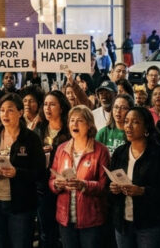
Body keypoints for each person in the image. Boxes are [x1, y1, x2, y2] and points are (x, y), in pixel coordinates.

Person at [0, 93, 44, 248]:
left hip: (20, 206)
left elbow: (40, 172)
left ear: (20, 112)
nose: (5, 114)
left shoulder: (31, 138)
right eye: (2, 110)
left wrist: (17, 173)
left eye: (10, 110)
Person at [109, 106, 160, 248]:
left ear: (146, 127)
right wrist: (113, 188)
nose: (128, 126)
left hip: (150, 224)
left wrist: (142, 191)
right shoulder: (119, 153)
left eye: (135, 122)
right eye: (126, 121)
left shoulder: (159, 155)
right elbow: (110, 183)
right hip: (123, 222)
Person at [49, 105, 111, 248]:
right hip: (65, 218)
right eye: (72, 120)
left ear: (89, 125)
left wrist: (84, 185)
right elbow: (51, 180)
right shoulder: (61, 149)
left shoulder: (100, 150)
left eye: (79, 121)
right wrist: (57, 184)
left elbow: (104, 185)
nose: (74, 124)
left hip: (90, 218)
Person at [34, 91, 71, 248]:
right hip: (43, 186)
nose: (48, 108)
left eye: (53, 104)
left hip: (65, 186)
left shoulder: (69, 130)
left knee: (64, 231)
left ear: (61, 108)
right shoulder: (39, 129)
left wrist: (56, 150)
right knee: (46, 231)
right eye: (46, 104)